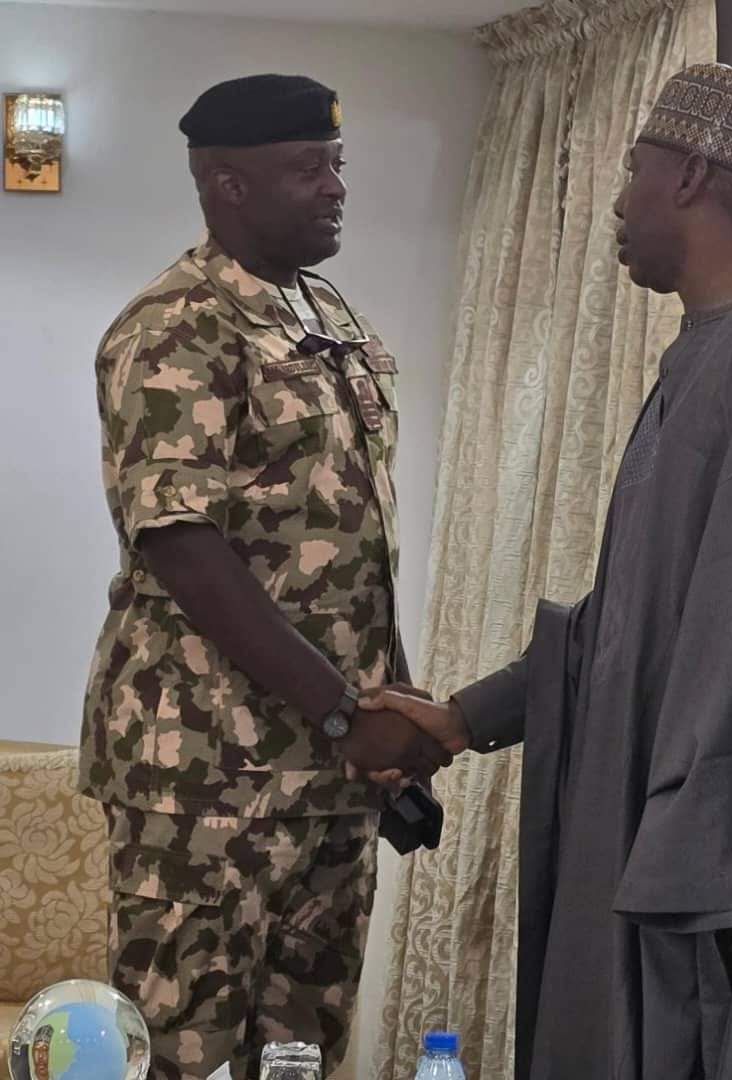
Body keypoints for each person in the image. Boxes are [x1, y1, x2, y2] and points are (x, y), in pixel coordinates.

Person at [364, 63, 732, 1080]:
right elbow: (634, 626)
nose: (618, 204)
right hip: (688, 860)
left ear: (692, 175)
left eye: (632, 171)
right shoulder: (699, 354)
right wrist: (460, 719)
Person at [78, 74, 449, 1080]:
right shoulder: (175, 327)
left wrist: (382, 706)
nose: (335, 187)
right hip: (205, 775)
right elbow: (182, 546)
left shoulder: (323, 311)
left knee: (301, 1052)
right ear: (225, 183)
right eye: (305, 168)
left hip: (328, 775)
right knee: (186, 1052)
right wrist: (341, 710)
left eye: (337, 164)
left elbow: (347, 537)